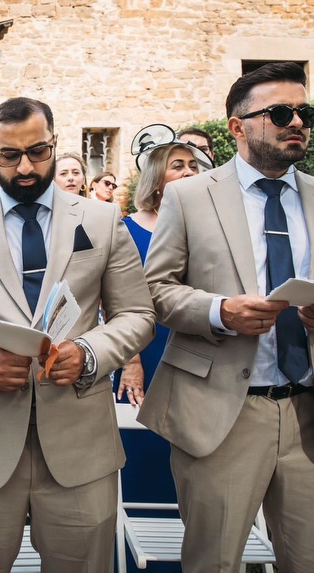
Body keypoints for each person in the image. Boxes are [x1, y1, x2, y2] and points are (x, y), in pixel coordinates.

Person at [139, 62, 314, 572]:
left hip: (313, 416)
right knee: (214, 562)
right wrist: (219, 311)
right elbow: (156, 293)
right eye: (279, 112)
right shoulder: (187, 196)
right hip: (223, 412)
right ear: (237, 126)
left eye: (304, 111)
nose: (297, 121)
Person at [0, 96, 156, 572]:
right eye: (9, 156)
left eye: (38, 152)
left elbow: (137, 314)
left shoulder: (101, 220)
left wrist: (87, 352)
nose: (25, 167)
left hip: (80, 445)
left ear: (55, 145)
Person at [116, 124, 213, 573]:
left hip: (198, 354)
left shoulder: (210, 230)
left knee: (195, 453)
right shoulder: (126, 230)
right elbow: (116, 303)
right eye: (179, 165)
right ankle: (136, 558)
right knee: (144, 448)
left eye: (195, 164)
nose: (191, 170)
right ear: (156, 180)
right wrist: (131, 362)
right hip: (146, 355)